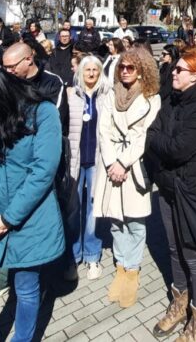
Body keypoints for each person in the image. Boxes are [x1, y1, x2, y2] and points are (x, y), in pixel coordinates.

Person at [0, 68, 64, 342]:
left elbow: (43, 170)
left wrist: (9, 218)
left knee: (27, 289)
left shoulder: (44, 113)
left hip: (31, 216)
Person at [147, 49, 196, 341]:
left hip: (191, 191)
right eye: (174, 69)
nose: (173, 73)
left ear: (195, 75)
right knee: (173, 249)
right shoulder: (172, 99)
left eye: (179, 70)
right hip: (167, 187)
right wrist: (159, 140)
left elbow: (178, 148)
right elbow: (153, 131)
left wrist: (158, 141)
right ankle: (179, 304)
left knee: (193, 255)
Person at [94, 47, 161, 308]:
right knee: (115, 219)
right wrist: (112, 162)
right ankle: (121, 265)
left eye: (130, 68)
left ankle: (132, 269)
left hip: (134, 165)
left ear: (142, 70)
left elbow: (145, 134)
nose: (124, 71)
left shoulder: (151, 98)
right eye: (122, 67)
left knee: (134, 220)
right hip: (111, 164)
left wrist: (123, 162)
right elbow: (104, 129)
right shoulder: (111, 94)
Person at [68, 55, 108, 280]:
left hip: (96, 161)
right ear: (80, 72)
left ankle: (92, 255)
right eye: (87, 70)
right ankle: (73, 256)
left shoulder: (106, 96)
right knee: (74, 210)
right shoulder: (71, 95)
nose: (91, 73)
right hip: (75, 161)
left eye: (95, 69)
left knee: (93, 210)